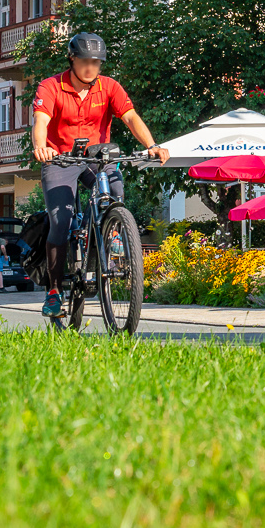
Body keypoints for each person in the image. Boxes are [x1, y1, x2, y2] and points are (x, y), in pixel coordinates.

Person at [31, 32, 169, 320]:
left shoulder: (109, 87)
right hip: (61, 159)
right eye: (85, 61)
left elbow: (130, 117)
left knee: (115, 191)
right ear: (72, 59)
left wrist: (152, 145)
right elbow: (41, 121)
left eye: (96, 62)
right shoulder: (51, 86)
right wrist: (41, 147)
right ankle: (54, 291)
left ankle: (112, 231)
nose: (90, 67)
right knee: (60, 221)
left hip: (97, 157)